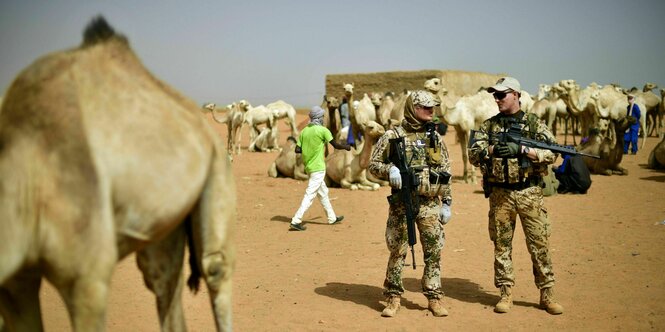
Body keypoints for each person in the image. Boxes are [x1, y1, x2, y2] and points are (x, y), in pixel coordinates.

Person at [468, 77, 564, 315]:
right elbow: (473, 153)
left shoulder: (533, 124)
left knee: (539, 245)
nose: (497, 99)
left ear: (516, 95)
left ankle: (547, 294)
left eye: (502, 95)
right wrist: (491, 150)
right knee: (501, 246)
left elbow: (554, 152)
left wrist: (523, 150)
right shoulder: (489, 126)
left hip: (529, 192)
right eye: (495, 95)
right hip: (500, 194)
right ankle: (505, 293)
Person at [368, 90, 453, 318]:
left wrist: (447, 203)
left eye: (432, 108)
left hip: (429, 203)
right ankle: (393, 296)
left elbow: (445, 171)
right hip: (402, 203)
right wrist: (389, 169)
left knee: (434, 251)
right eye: (425, 108)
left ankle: (434, 297)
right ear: (412, 109)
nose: (431, 112)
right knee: (398, 250)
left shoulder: (435, 137)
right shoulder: (392, 136)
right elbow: (373, 165)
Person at [290, 106, 351, 231]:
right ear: (318, 118)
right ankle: (296, 220)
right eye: (322, 116)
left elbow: (297, 149)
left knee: (323, 193)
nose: (323, 118)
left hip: (309, 167)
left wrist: (308, 148)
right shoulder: (323, 131)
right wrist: (346, 147)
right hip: (318, 167)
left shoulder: (304, 131)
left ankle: (332, 217)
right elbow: (335, 145)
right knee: (310, 194)